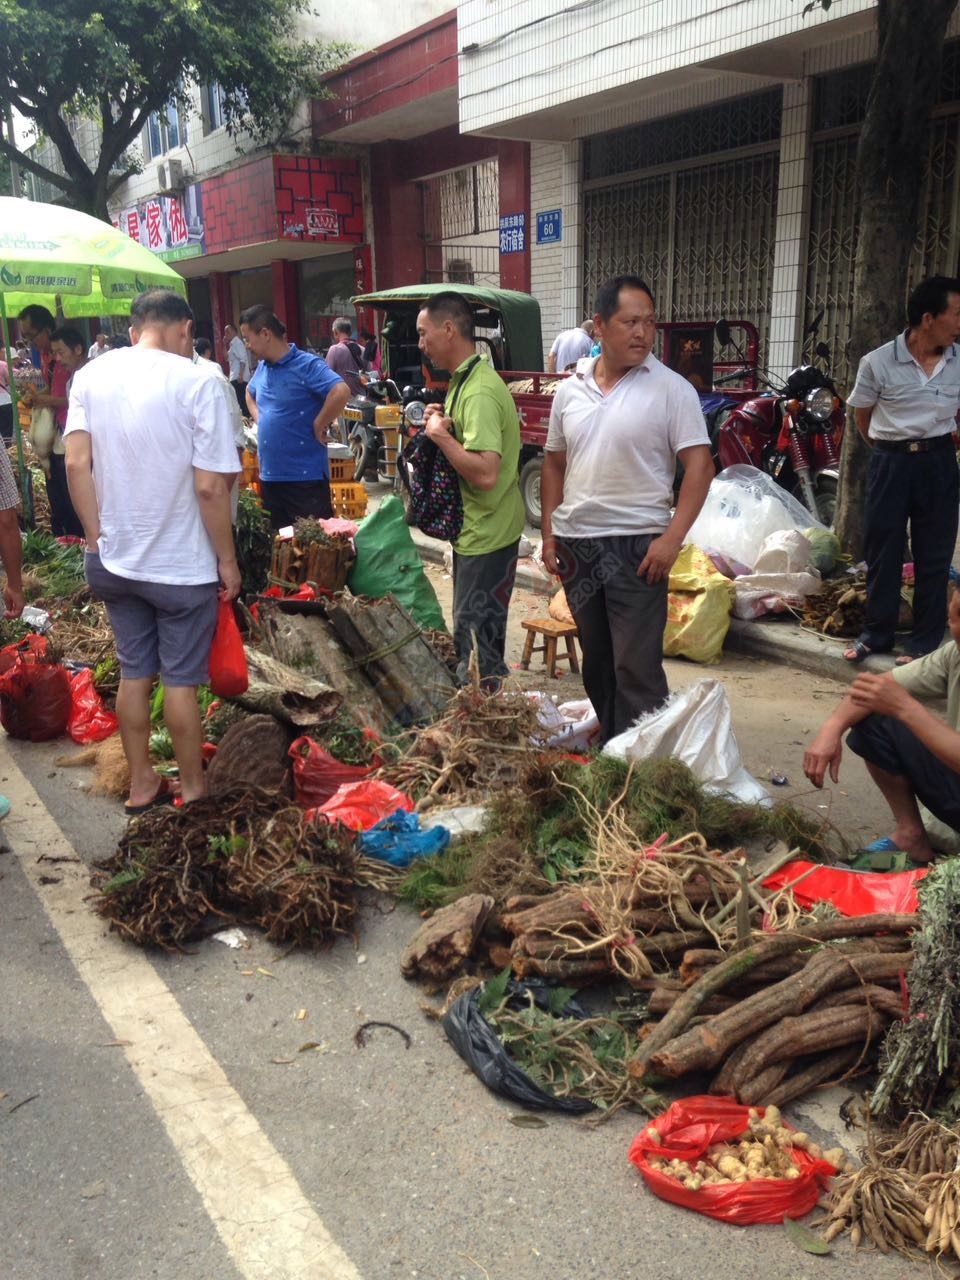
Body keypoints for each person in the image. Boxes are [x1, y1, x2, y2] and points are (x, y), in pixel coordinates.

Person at [64, 288, 240, 814]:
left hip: (114, 561)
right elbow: (212, 488)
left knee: (135, 672)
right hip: (180, 568)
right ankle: (193, 789)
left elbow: (76, 463)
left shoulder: (90, 376)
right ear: (184, 329)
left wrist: (96, 536)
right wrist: (227, 561)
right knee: (182, 682)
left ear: (136, 326)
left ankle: (142, 784)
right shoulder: (199, 381)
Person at [541, 275, 714, 745]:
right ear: (599, 326)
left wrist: (671, 539)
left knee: (635, 666)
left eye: (649, 322)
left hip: (638, 546)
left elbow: (700, 467)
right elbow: (554, 464)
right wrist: (550, 535)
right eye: (629, 322)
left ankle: (647, 771)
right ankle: (615, 752)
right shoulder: (570, 389)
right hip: (578, 545)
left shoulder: (672, 389)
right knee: (598, 662)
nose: (642, 333)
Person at [844, 275, 960, 666]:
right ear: (928, 318)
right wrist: (891, 449)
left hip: (940, 463)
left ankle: (924, 641)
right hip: (891, 462)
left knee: (934, 553)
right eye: (956, 314)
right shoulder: (877, 362)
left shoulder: (959, 361)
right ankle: (876, 634)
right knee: (884, 549)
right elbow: (862, 417)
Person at [804, 584, 960, 864]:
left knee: (896, 707)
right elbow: (875, 690)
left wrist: (906, 707)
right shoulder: (955, 654)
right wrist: (831, 728)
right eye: (955, 616)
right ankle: (911, 835)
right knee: (874, 717)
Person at [416, 290, 525, 685]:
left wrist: (441, 438)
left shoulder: (477, 389)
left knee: (477, 650)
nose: (420, 343)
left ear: (448, 329)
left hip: (488, 536)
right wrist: (442, 421)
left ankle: (482, 729)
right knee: (475, 639)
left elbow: (485, 474)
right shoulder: (463, 381)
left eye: (423, 332)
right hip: (478, 532)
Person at [239, 305, 350, 529]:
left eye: (247, 339)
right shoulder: (262, 368)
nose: (247, 346)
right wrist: (261, 418)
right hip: (271, 478)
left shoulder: (307, 364)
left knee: (312, 551)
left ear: (265, 334)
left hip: (304, 480)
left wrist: (320, 423)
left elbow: (341, 391)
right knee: (281, 551)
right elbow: (249, 393)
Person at [17, 305, 84, 536]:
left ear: (45, 330)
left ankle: (78, 538)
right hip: (57, 433)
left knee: (70, 492)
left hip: (70, 432)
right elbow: (53, 388)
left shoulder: (71, 364)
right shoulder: (47, 357)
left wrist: (43, 400)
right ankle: (65, 536)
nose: (28, 341)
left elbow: (68, 398)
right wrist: (38, 397)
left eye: (30, 335)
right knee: (57, 493)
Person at [46, 326, 88, 538]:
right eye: (54, 353)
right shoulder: (73, 379)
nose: (58, 358)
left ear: (78, 349)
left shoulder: (89, 377)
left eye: (61, 352)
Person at [325, 317, 368, 396]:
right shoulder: (363, 350)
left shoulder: (334, 350)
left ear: (335, 332)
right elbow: (369, 375)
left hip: (344, 401)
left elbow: (327, 377)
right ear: (350, 332)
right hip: (363, 400)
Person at [224, 322, 251, 414]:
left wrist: (240, 374)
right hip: (234, 376)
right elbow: (226, 358)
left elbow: (242, 360)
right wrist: (224, 344)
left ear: (235, 332)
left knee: (242, 402)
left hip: (239, 378)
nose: (226, 334)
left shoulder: (237, 342)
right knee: (239, 402)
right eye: (225, 332)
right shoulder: (232, 345)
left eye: (228, 331)